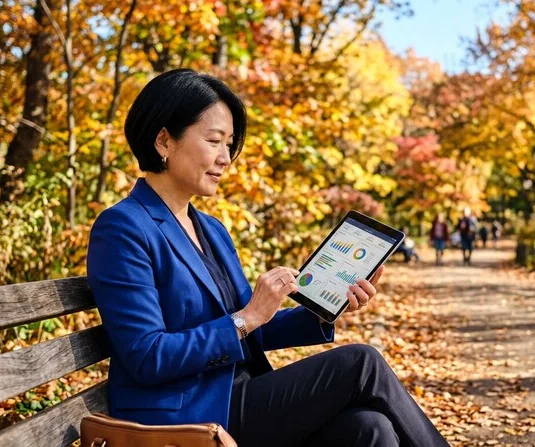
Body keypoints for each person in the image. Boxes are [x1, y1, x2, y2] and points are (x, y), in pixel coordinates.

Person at [86, 69, 450, 447]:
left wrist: (325, 307)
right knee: (361, 362)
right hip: (183, 415)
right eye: (213, 141)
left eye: (229, 144)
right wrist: (246, 317)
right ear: (164, 140)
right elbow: (147, 357)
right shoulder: (123, 228)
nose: (225, 158)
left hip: (236, 398)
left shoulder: (210, 229)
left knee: (369, 427)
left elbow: (252, 327)